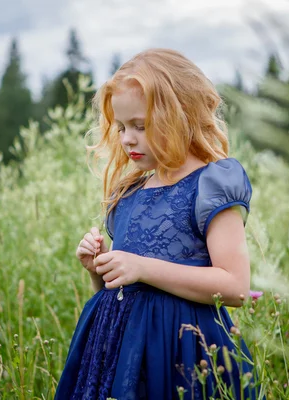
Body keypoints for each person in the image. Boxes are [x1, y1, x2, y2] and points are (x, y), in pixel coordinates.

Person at [55, 48, 261, 400]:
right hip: (119, 355)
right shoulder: (131, 190)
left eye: (141, 125)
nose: (127, 139)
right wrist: (100, 269)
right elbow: (123, 292)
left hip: (184, 352)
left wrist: (141, 266)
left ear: (180, 116)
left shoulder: (211, 185)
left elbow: (235, 286)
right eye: (121, 127)